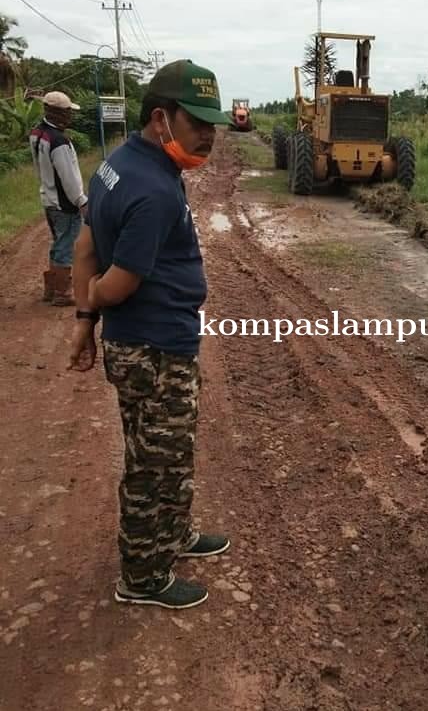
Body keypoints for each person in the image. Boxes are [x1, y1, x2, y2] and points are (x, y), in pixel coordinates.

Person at [67, 59, 231, 609]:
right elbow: (112, 282)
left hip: (146, 344)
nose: (208, 135)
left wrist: (83, 327)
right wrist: (94, 307)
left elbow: (85, 245)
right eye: (197, 123)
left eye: (212, 123)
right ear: (161, 119)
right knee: (153, 465)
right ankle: (141, 576)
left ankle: (173, 535)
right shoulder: (154, 190)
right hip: (155, 349)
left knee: (170, 455)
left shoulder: (116, 166)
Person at [29, 91, 87, 305]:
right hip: (64, 203)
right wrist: (81, 200)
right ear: (58, 113)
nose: (70, 116)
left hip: (49, 198)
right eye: (67, 112)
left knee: (59, 242)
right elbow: (69, 178)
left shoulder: (38, 133)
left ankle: (53, 289)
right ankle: (62, 293)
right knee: (65, 245)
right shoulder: (59, 141)